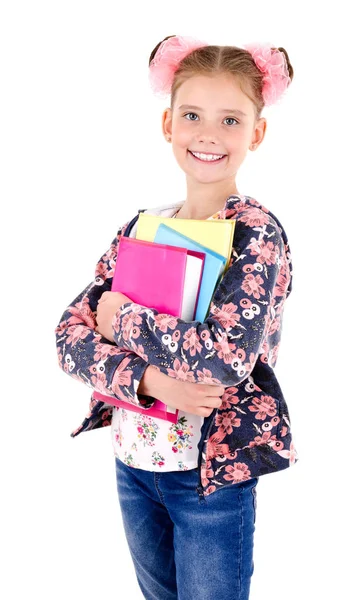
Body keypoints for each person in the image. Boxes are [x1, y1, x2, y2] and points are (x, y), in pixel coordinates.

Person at [55, 35, 299, 600]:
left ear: (256, 133)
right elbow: (69, 338)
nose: (208, 134)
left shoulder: (256, 233)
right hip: (135, 460)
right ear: (168, 124)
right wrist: (153, 380)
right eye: (192, 115)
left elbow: (223, 358)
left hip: (208, 476)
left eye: (230, 119)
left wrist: (123, 319)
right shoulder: (142, 225)